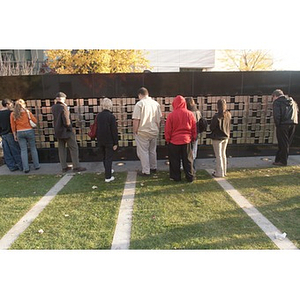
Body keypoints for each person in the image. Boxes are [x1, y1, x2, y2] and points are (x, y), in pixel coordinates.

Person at [51, 92, 86, 173]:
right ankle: (76, 166)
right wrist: (70, 128)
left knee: (61, 149)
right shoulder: (64, 107)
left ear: (57, 98)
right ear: (64, 98)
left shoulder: (54, 107)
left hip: (58, 131)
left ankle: (64, 167)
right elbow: (66, 121)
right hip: (66, 131)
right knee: (74, 148)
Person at [165, 95, 197, 182]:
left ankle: (176, 177)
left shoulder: (171, 115)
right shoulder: (190, 114)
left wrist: (168, 139)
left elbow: (168, 129)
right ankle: (190, 176)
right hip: (187, 140)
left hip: (174, 141)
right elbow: (193, 127)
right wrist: (193, 137)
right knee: (188, 160)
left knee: (174, 160)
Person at [132, 87, 162, 176]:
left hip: (143, 132)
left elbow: (136, 120)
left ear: (140, 95)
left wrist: (135, 131)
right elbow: (159, 119)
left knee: (143, 151)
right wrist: (157, 129)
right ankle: (153, 167)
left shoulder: (139, 104)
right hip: (154, 131)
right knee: (152, 150)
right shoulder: (156, 104)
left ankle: (146, 171)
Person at [10, 99, 40, 173]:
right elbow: (35, 121)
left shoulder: (13, 114)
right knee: (33, 148)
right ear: (23, 104)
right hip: (29, 130)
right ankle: (36, 165)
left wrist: (14, 135)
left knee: (23, 150)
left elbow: (13, 126)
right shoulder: (27, 112)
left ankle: (26, 168)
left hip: (19, 132)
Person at [272, 89, 298, 166]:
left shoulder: (277, 102)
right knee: (287, 143)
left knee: (282, 143)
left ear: (275, 96)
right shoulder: (292, 101)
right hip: (293, 123)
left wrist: (277, 124)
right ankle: (279, 159)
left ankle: (282, 161)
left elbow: (277, 115)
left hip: (283, 124)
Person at [95, 98, 119, 182]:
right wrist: (115, 142)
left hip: (100, 139)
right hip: (109, 140)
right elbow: (114, 130)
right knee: (109, 158)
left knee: (104, 157)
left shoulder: (99, 116)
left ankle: (107, 170)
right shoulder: (111, 116)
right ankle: (108, 177)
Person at [210, 99, 231, 178]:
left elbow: (212, 127)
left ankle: (219, 172)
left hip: (217, 138)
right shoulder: (228, 114)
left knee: (218, 156)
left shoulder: (216, 116)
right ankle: (224, 171)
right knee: (223, 154)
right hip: (225, 137)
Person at [0, 99, 23, 171]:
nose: (11, 106)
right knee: (15, 150)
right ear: (7, 105)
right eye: (10, 104)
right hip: (10, 133)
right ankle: (21, 165)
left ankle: (11, 166)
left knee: (6, 152)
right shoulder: (11, 113)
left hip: (3, 134)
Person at [185, 97, 202, 170]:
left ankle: (189, 167)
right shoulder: (198, 112)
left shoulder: (188, 113)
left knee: (188, 152)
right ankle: (193, 167)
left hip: (188, 134)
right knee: (194, 151)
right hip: (196, 134)